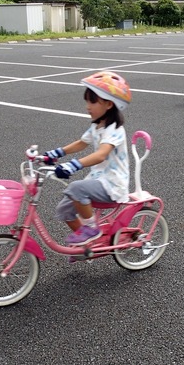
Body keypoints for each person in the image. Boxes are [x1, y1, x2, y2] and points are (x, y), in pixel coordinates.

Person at [43, 71, 132, 244]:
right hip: (99, 179)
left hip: (113, 185)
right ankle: (88, 245)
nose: (87, 107)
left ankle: (91, 229)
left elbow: (101, 154)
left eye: (92, 102)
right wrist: (56, 153)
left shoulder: (114, 130)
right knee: (64, 210)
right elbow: (81, 143)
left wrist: (73, 165)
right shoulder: (97, 126)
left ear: (108, 104)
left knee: (76, 188)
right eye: (87, 102)